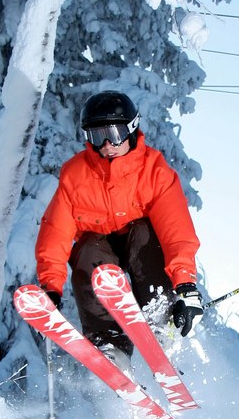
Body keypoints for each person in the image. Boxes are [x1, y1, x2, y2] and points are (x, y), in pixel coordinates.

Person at [35, 90, 203, 369]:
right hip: (102, 250)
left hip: (142, 248)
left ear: (131, 130)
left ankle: (160, 316)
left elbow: (177, 231)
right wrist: (50, 287)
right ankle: (108, 342)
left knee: (144, 232)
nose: (106, 145)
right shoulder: (75, 175)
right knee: (86, 250)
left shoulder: (156, 173)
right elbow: (56, 232)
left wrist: (185, 285)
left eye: (113, 133)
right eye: (96, 135)